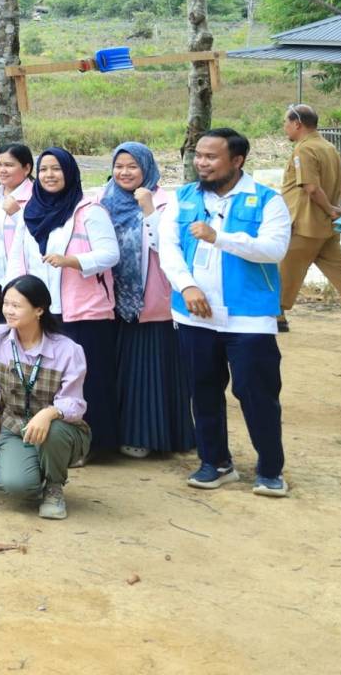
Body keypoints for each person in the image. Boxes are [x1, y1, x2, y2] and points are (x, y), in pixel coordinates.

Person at [157, 127, 293, 496]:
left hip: (249, 317)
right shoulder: (182, 198)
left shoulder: (267, 200)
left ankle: (270, 470)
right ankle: (214, 463)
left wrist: (221, 238)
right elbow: (168, 249)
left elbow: (274, 249)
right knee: (203, 390)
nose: (201, 163)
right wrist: (186, 286)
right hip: (194, 315)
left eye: (211, 157)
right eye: (199, 156)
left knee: (256, 392)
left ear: (237, 160)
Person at [23, 147, 121, 455]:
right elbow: (19, 257)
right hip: (47, 309)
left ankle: (96, 445)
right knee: (55, 380)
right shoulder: (33, 211)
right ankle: (60, 444)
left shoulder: (89, 211)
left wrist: (73, 261)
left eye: (56, 169)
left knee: (89, 379)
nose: (49, 175)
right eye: (43, 169)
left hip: (86, 310)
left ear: (69, 172)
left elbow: (111, 254)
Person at [101, 141, 193, 459]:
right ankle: (118, 433)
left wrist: (149, 210)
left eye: (132, 167)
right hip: (111, 300)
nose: (124, 173)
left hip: (151, 301)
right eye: (119, 166)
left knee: (149, 371)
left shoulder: (165, 202)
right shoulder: (104, 199)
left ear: (147, 169)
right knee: (118, 369)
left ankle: (149, 435)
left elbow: (167, 247)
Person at [0, 275, 90, 520]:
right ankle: (34, 470)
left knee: (54, 430)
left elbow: (75, 403)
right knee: (16, 486)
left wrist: (48, 414)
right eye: (6, 303)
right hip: (14, 425)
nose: (8, 310)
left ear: (39, 310)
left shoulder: (67, 350)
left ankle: (54, 487)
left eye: (16, 305)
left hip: (60, 428)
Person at [278, 103, 341, 336]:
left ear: (297, 124)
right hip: (326, 227)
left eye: (286, 122)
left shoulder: (304, 150)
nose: (284, 127)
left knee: (283, 270)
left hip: (304, 226)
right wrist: (333, 210)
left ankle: (275, 317)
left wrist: (330, 209)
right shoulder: (330, 148)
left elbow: (311, 187)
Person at [0, 143, 38, 325]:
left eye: (9, 165)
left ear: (26, 168)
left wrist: (18, 215)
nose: (2, 170)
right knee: (8, 330)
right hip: (0, 282)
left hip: (29, 283)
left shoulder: (37, 197)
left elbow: (40, 238)